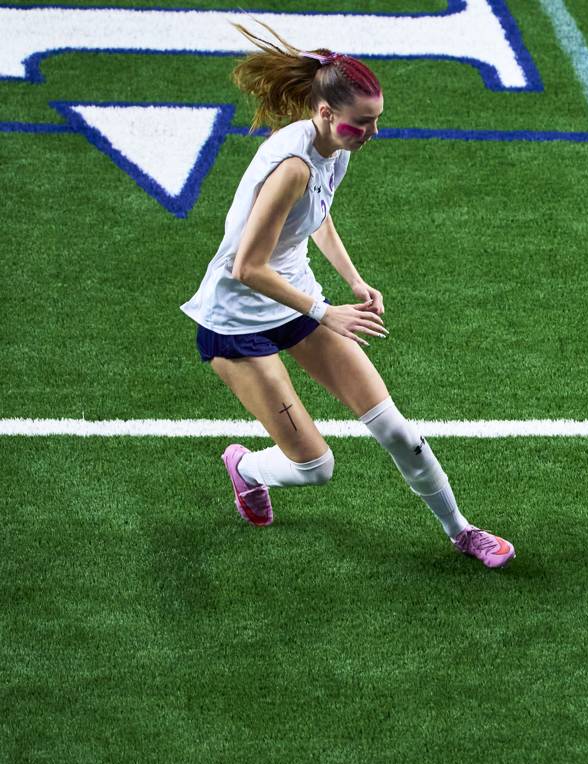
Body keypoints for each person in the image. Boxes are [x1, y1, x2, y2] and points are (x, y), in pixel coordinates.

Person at [180, 24, 514, 568]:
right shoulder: (289, 167)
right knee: (317, 467)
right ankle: (246, 470)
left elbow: (318, 217)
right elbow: (246, 267)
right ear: (326, 114)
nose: (373, 132)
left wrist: (354, 281)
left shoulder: (336, 148)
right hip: (237, 322)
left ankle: (462, 531)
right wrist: (324, 311)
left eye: (376, 119)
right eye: (363, 123)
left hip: (297, 300)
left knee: (395, 429)